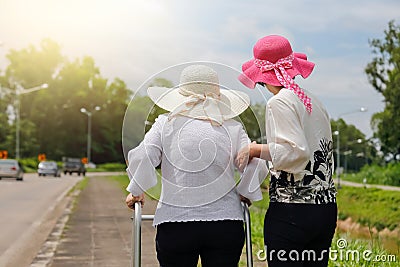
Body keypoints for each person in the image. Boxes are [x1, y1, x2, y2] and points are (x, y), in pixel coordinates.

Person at [125, 64, 268, 267]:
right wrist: (246, 191)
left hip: (176, 223)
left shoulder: (165, 123)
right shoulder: (233, 128)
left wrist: (136, 190)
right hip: (225, 222)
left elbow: (143, 155)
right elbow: (256, 164)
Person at [236, 35, 337, 267]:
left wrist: (254, 149)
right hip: (325, 208)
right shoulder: (314, 101)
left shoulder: (279, 102)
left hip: (293, 210)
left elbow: (294, 153)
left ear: (262, 77)